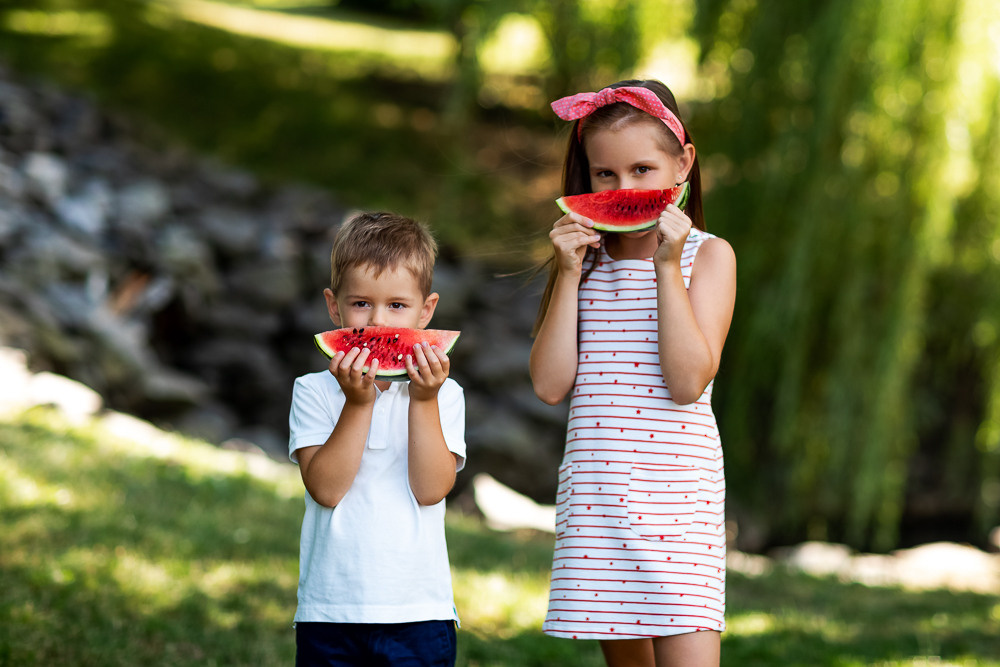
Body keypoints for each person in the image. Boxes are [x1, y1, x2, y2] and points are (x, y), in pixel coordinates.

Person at [530, 80, 737, 667]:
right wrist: (568, 273)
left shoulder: (708, 256)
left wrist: (666, 268)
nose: (624, 189)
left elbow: (687, 382)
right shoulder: (584, 266)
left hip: (678, 502)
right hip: (598, 500)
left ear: (683, 164)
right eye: (605, 175)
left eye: (643, 170)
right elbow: (549, 385)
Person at [288, 211, 466, 667]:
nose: (378, 322)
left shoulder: (445, 395)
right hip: (330, 612)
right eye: (361, 303)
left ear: (427, 310)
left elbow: (431, 490)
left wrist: (424, 401)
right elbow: (326, 490)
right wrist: (357, 403)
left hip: (419, 612)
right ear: (334, 307)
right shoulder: (312, 390)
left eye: (397, 306)